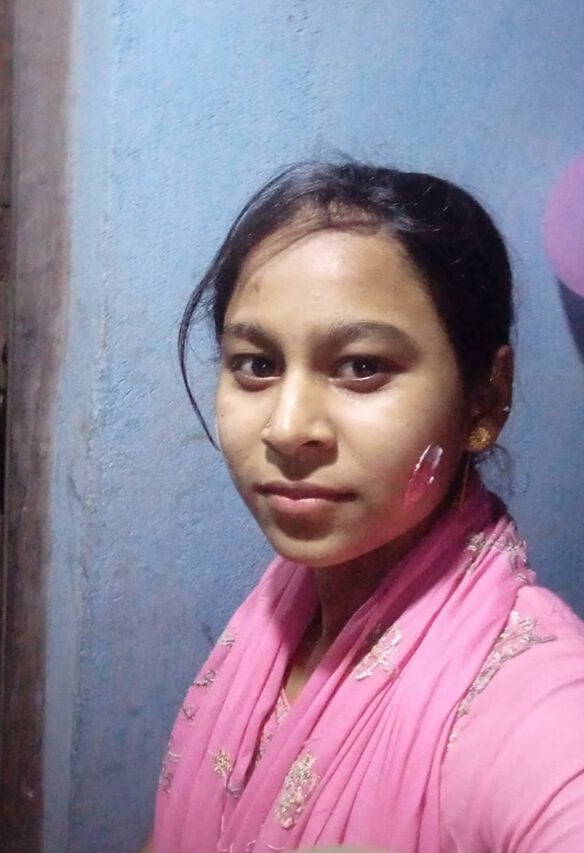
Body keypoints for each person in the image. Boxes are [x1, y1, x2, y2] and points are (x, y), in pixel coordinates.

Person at [143, 161, 584, 853]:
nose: (288, 428)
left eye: (361, 367)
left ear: (486, 399)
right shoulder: (281, 612)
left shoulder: (533, 702)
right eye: (257, 365)